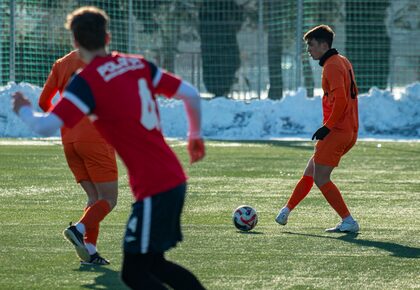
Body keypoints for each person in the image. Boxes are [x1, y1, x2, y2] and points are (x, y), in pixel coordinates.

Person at [12, 6, 206, 289]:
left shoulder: (87, 82)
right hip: (170, 179)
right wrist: (195, 135)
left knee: (136, 272)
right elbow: (190, 93)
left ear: (76, 43)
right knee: (152, 265)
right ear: (108, 36)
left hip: (156, 188)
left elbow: (45, 125)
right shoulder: (137, 64)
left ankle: (83, 233)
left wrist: (23, 110)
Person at [275, 24, 360, 233]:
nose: (308, 49)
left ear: (323, 44)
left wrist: (327, 127)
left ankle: (348, 220)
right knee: (311, 170)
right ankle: (286, 211)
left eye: (311, 45)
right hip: (347, 130)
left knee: (321, 178)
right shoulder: (341, 60)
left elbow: (341, 100)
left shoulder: (332, 65)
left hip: (337, 131)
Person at [39, 50, 118, 265]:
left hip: (70, 139)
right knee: (109, 199)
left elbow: (43, 101)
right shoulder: (105, 61)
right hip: (95, 137)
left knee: (94, 199)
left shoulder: (61, 62)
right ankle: (77, 229)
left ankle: (90, 251)